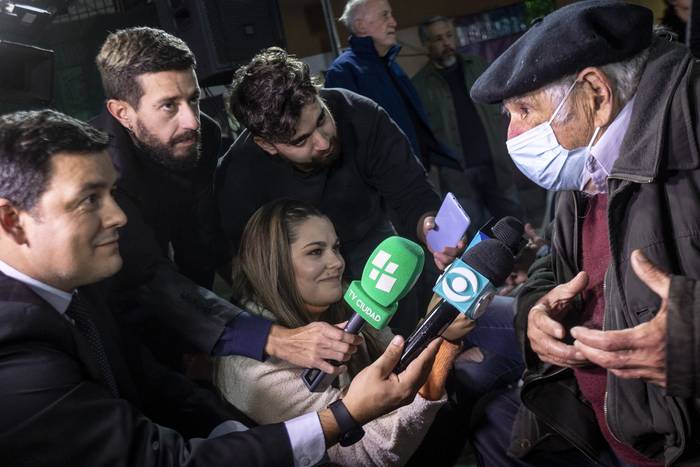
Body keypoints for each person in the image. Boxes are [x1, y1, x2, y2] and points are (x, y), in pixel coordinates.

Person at [0, 109, 442, 466]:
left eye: (113, 194)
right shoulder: (15, 355)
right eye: (89, 199)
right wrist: (342, 416)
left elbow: (148, 381)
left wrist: (226, 424)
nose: (118, 217)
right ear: (11, 221)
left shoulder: (80, 296)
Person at [467, 1, 700, 465]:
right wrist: (533, 314)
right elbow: (551, 266)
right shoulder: (586, 161)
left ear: (594, 91)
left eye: (523, 110)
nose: (513, 135)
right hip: (601, 427)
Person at [91, 27, 362, 375]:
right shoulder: (100, 171)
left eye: (193, 98)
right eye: (168, 106)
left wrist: (251, 314)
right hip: (111, 318)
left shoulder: (201, 135)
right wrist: (274, 338)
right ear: (122, 112)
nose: (191, 121)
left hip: (186, 302)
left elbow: (201, 241)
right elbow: (149, 279)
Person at [216, 47, 459, 334]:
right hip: (298, 281)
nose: (322, 142)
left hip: (372, 246)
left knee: (402, 333)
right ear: (267, 145)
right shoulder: (238, 176)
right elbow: (241, 266)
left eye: (321, 119)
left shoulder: (360, 115)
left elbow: (412, 193)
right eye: (301, 140)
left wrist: (431, 228)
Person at [214, 199, 471, 465]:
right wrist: (437, 349)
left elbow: (395, 367)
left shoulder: (353, 298)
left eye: (336, 248)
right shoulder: (251, 367)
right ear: (273, 265)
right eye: (315, 252)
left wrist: (435, 329)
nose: (336, 262)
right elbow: (360, 455)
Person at [412, 16, 524, 234]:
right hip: (457, 177)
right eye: (437, 39)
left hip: (495, 165)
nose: (446, 43)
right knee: (474, 235)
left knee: (514, 227)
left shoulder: (478, 67)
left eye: (449, 36)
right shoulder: (420, 86)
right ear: (426, 44)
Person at [325, 0, 462, 173]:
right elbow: (348, 141)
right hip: (392, 182)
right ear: (361, 26)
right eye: (384, 15)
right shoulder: (343, 71)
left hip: (419, 170)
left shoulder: (389, 63)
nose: (393, 22)